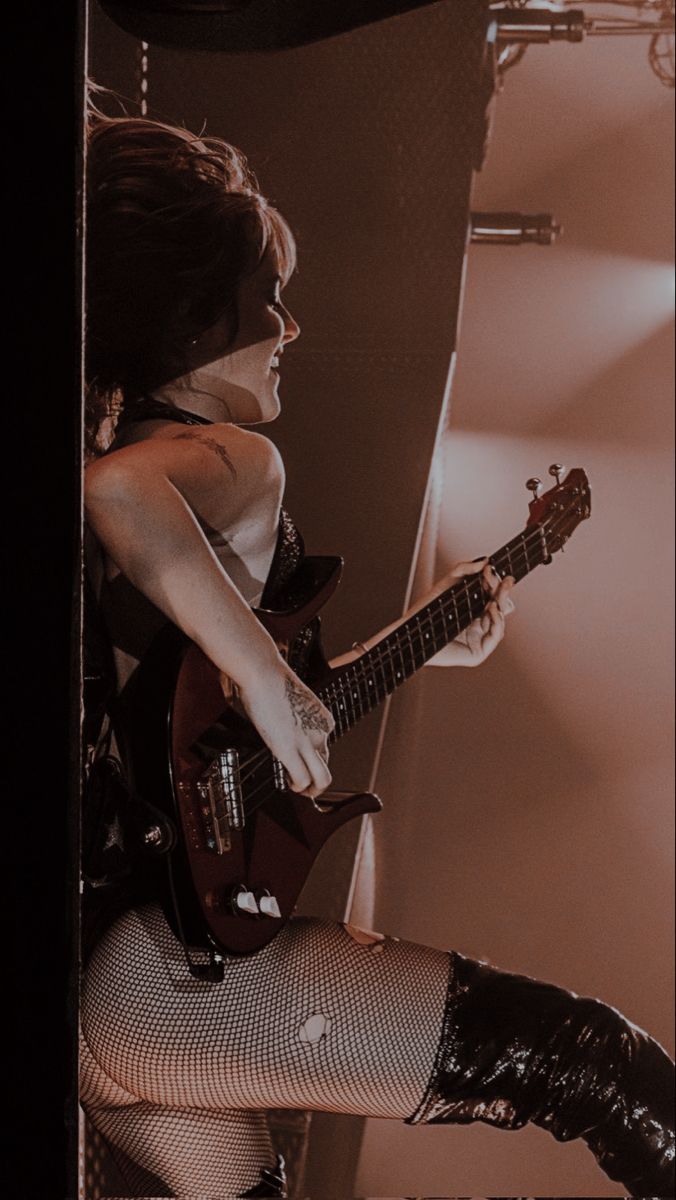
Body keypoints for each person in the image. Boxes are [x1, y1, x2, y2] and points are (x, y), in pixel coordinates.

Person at [80, 94, 675, 1199]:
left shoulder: (144, 453)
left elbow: (221, 728)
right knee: (598, 1066)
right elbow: (118, 497)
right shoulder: (229, 460)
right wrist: (266, 675)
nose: (290, 331)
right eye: (271, 303)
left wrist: (404, 648)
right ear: (202, 319)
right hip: (159, 976)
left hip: (132, 987)